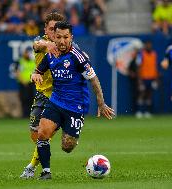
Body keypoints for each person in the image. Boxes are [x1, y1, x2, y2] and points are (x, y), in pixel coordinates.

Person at [31, 21, 115, 179]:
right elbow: (37, 71)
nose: (62, 41)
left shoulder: (78, 57)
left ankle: (70, 130)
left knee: (67, 146)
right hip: (56, 101)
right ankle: (46, 172)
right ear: (53, 38)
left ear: (71, 37)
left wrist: (101, 103)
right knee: (42, 133)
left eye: (65, 37)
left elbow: (94, 80)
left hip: (76, 106)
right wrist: (35, 75)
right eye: (58, 37)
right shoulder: (50, 54)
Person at [20, 12, 64, 179]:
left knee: (44, 133)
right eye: (52, 29)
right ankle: (34, 163)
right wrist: (47, 44)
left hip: (58, 96)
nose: (54, 32)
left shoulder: (64, 43)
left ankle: (33, 168)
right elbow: (37, 44)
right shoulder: (41, 41)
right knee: (35, 134)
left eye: (57, 29)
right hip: (41, 94)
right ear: (46, 28)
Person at [135, 41, 158, 118]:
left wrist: (156, 79)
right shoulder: (141, 54)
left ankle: (147, 111)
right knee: (142, 94)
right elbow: (138, 67)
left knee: (149, 95)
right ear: (145, 46)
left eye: (150, 45)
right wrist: (139, 81)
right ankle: (139, 111)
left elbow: (155, 67)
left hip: (151, 78)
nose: (149, 47)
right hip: (143, 78)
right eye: (147, 45)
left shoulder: (154, 54)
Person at [15, 48, 36, 118]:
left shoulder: (33, 61)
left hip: (32, 83)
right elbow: (17, 72)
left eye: (29, 53)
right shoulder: (20, 61)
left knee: (32, 98)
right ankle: (25, 114)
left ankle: (32, 114)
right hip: (23, 84)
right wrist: (22, 80)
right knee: (24, 99)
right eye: (26, 53)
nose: (27, 54)